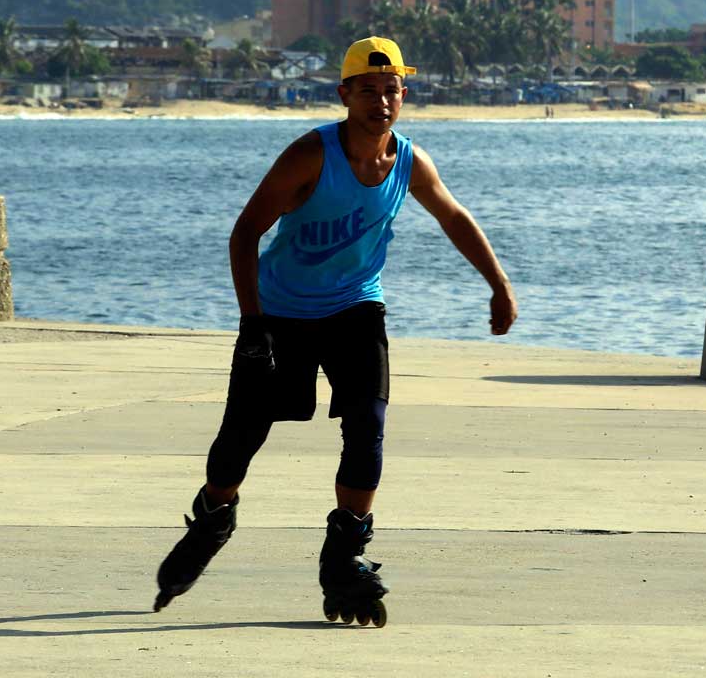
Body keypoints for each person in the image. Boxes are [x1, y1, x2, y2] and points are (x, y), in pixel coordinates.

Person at [153, 36, 518, 626]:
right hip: (280, 314)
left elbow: (454, 215)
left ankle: (345, 554)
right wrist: (252, 325)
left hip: (355, 309)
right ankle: (215, 514)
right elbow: (245, 233)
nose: (381, 102)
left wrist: (498, 285)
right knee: (238, 445)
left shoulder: (408, 161)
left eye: (391, 91)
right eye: (368, 91)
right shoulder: (309, 156)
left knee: (367, 426)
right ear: (344, 94)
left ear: (404, 95)